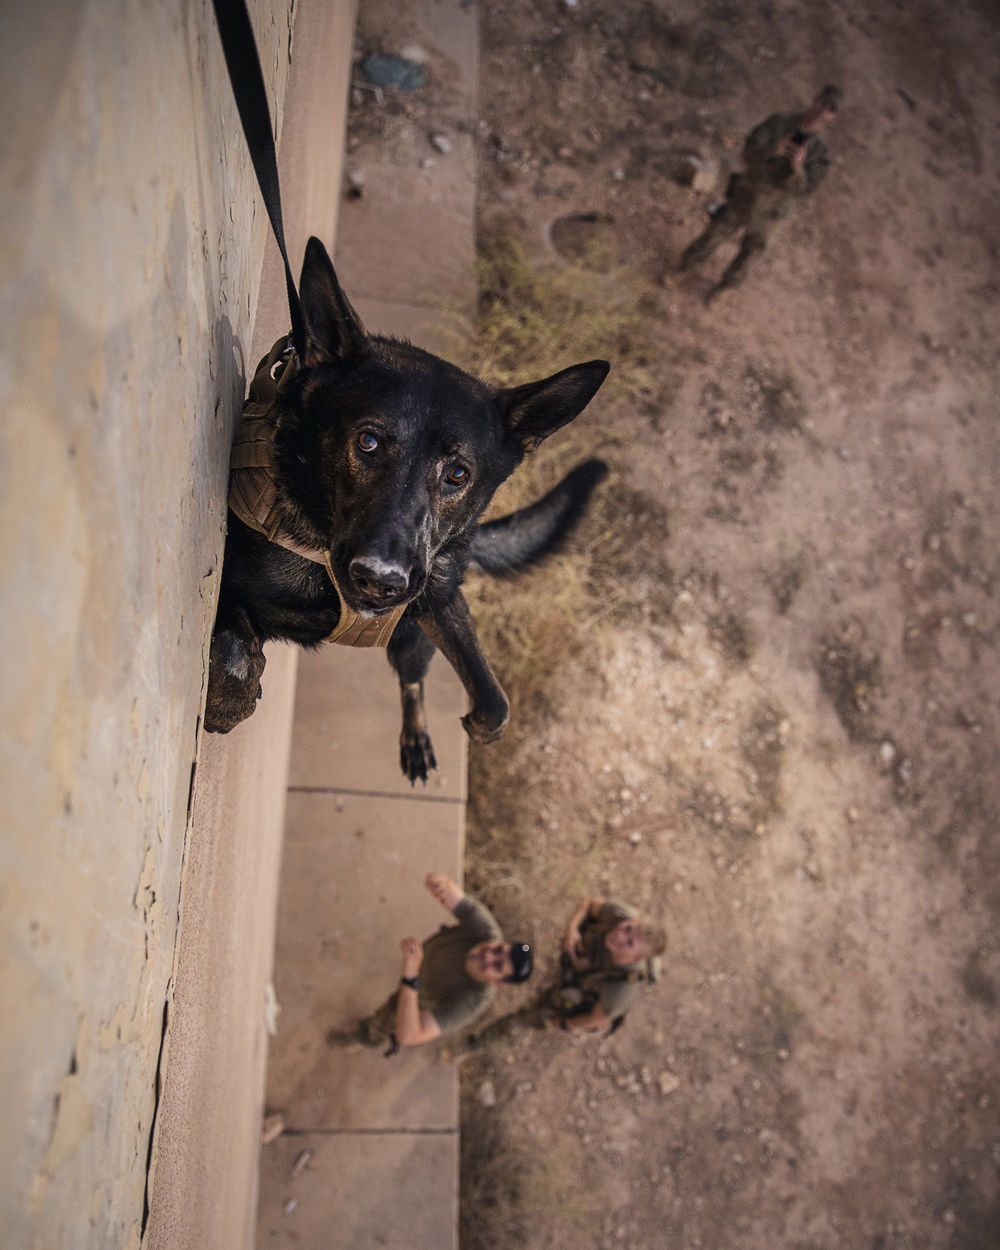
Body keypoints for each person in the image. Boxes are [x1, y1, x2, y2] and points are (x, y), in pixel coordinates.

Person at [327, 872, 532, 1056]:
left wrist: (410, 979)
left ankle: (361, 1039)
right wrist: (440, 884)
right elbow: (451, 892)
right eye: (498, 949)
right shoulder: (487, 931)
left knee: (384, 1021)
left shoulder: (474, 1000)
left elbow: (410, 1036)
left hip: (415, 996)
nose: (488, 956)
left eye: (496, 966)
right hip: (419, 970)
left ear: (497, 982)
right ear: (501, 942)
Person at [679, 84, 844, 302]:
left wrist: (797, 169)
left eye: (830, 109)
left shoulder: (820, 153)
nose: (822, 111)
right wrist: (773, 151)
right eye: (822, 103)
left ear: (832, 117)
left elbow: (804, 191)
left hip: (773, 210)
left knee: (751, 253)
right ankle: (683, 268)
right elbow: (748, 152)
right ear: (814, 99)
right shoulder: (779, 123)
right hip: (748, 192)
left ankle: (724, 289)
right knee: (716, 232)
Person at [445, 896, 667, 1058]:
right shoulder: (620, 915)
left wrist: (561, 1023)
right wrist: (572, 931)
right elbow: (589, 904)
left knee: (526, 1018)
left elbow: (595, 1019)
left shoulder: (619, 992)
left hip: (581, 994)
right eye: (627, 928)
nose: (620, 935)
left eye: (629, 942)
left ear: (636, 957)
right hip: (577, 963)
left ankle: (474, 1044)